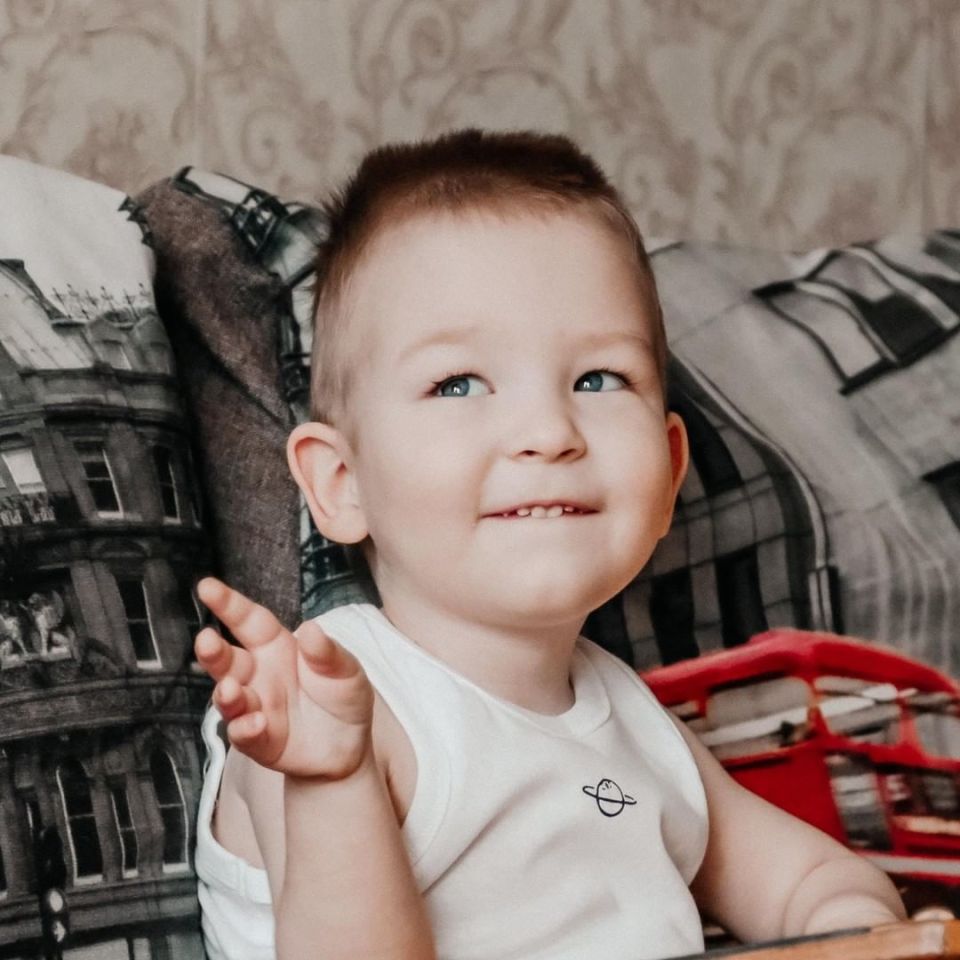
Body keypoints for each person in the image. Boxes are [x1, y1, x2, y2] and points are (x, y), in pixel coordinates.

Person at [193, 129, 906, 960]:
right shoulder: (320, 713)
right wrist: (332, 783)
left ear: (670, 471)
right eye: (458, 383)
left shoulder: (634, 722)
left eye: (598, 378)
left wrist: (863, 926)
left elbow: (803, 881)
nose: (548, 430)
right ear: (341, 482)